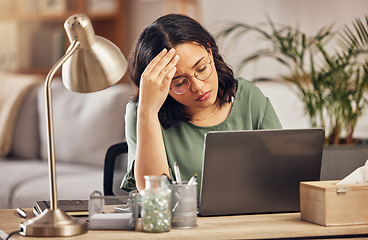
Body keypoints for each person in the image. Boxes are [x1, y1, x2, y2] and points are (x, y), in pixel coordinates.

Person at [121, 14, 282, 194]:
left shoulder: (249, 97)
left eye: (202, 68)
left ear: (209, 52)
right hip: (183, 222)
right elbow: (154, 197)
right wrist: (148, 112)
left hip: (253, 219)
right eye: (179, 82)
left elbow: (283, 171)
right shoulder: (142, 112)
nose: (198, 86)